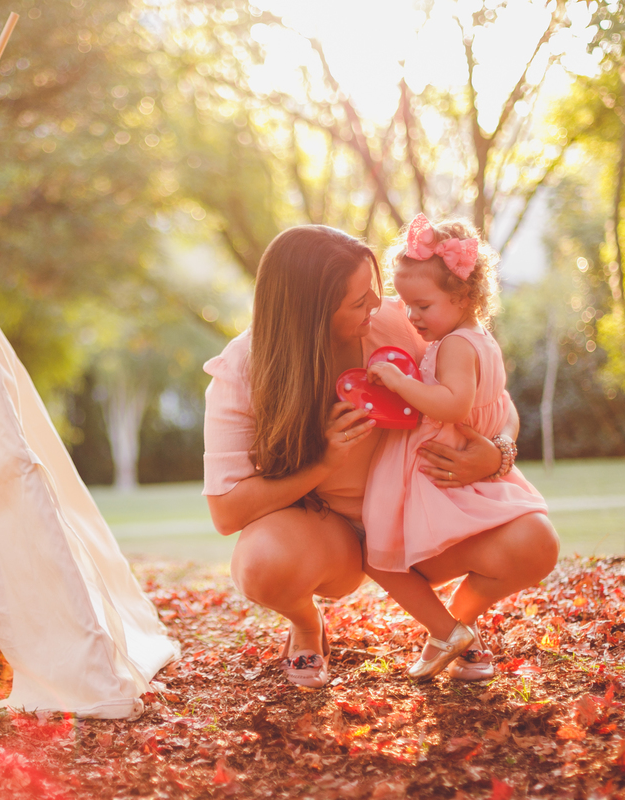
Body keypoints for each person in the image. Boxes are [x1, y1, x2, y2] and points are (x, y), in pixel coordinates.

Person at [202, 224, 558, 689]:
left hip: (417, 516)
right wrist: (324, 463)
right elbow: (227, 512)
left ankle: (451, 628)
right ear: (312, 312)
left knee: (535, 542)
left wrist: (497, 454)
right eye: (358, 300)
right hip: (329, 533)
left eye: (373, 290)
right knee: (262, 565)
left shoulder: (400, 322)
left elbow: (496, 402)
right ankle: (308, 626)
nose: (377, 303)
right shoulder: (242, 368)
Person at [361, 214, 552, 681]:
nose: (411, 316)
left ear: (464, 296)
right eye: (407, 305)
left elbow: (451, 404)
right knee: (392, 557)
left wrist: (399, 380)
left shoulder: (453, 347)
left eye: (422, 306)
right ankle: (454, 633)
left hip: (435, 463)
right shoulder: (480, 340)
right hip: (467, 460)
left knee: (381, 557)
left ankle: (447, 630)